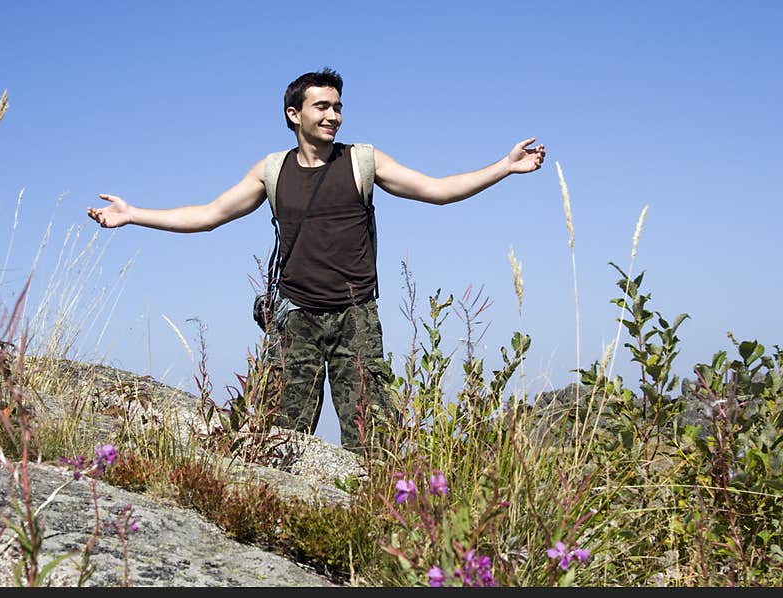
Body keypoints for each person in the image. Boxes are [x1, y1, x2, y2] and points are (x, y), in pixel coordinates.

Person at [87, 67, 545, 455]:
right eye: (322, 106)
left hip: (356, 318)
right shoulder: (271, 170)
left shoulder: (362, 160)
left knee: (374, 443)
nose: (333, 115)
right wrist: (133, 215)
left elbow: (438, 191)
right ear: (295, 114)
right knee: (279, 440)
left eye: (337, 107)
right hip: (295, 320)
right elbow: (209, 215)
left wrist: (503, 167)